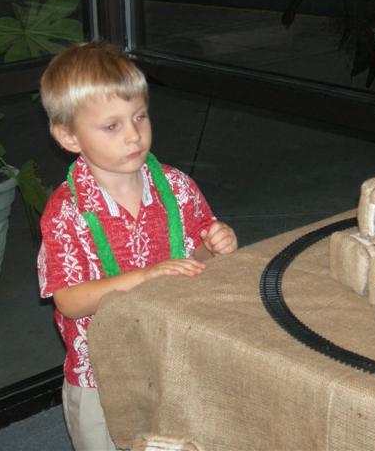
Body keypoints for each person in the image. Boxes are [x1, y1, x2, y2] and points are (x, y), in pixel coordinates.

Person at [37, 42, 238, 450]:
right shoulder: (66, 211)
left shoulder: (177, 186)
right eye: (111, 127)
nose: (133, 135)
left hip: (171, 355)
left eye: (139, 117)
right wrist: (143, 277)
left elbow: (193, 262)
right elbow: (69, 301)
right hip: (100, 373)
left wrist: (213, 247)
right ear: (69, 136)